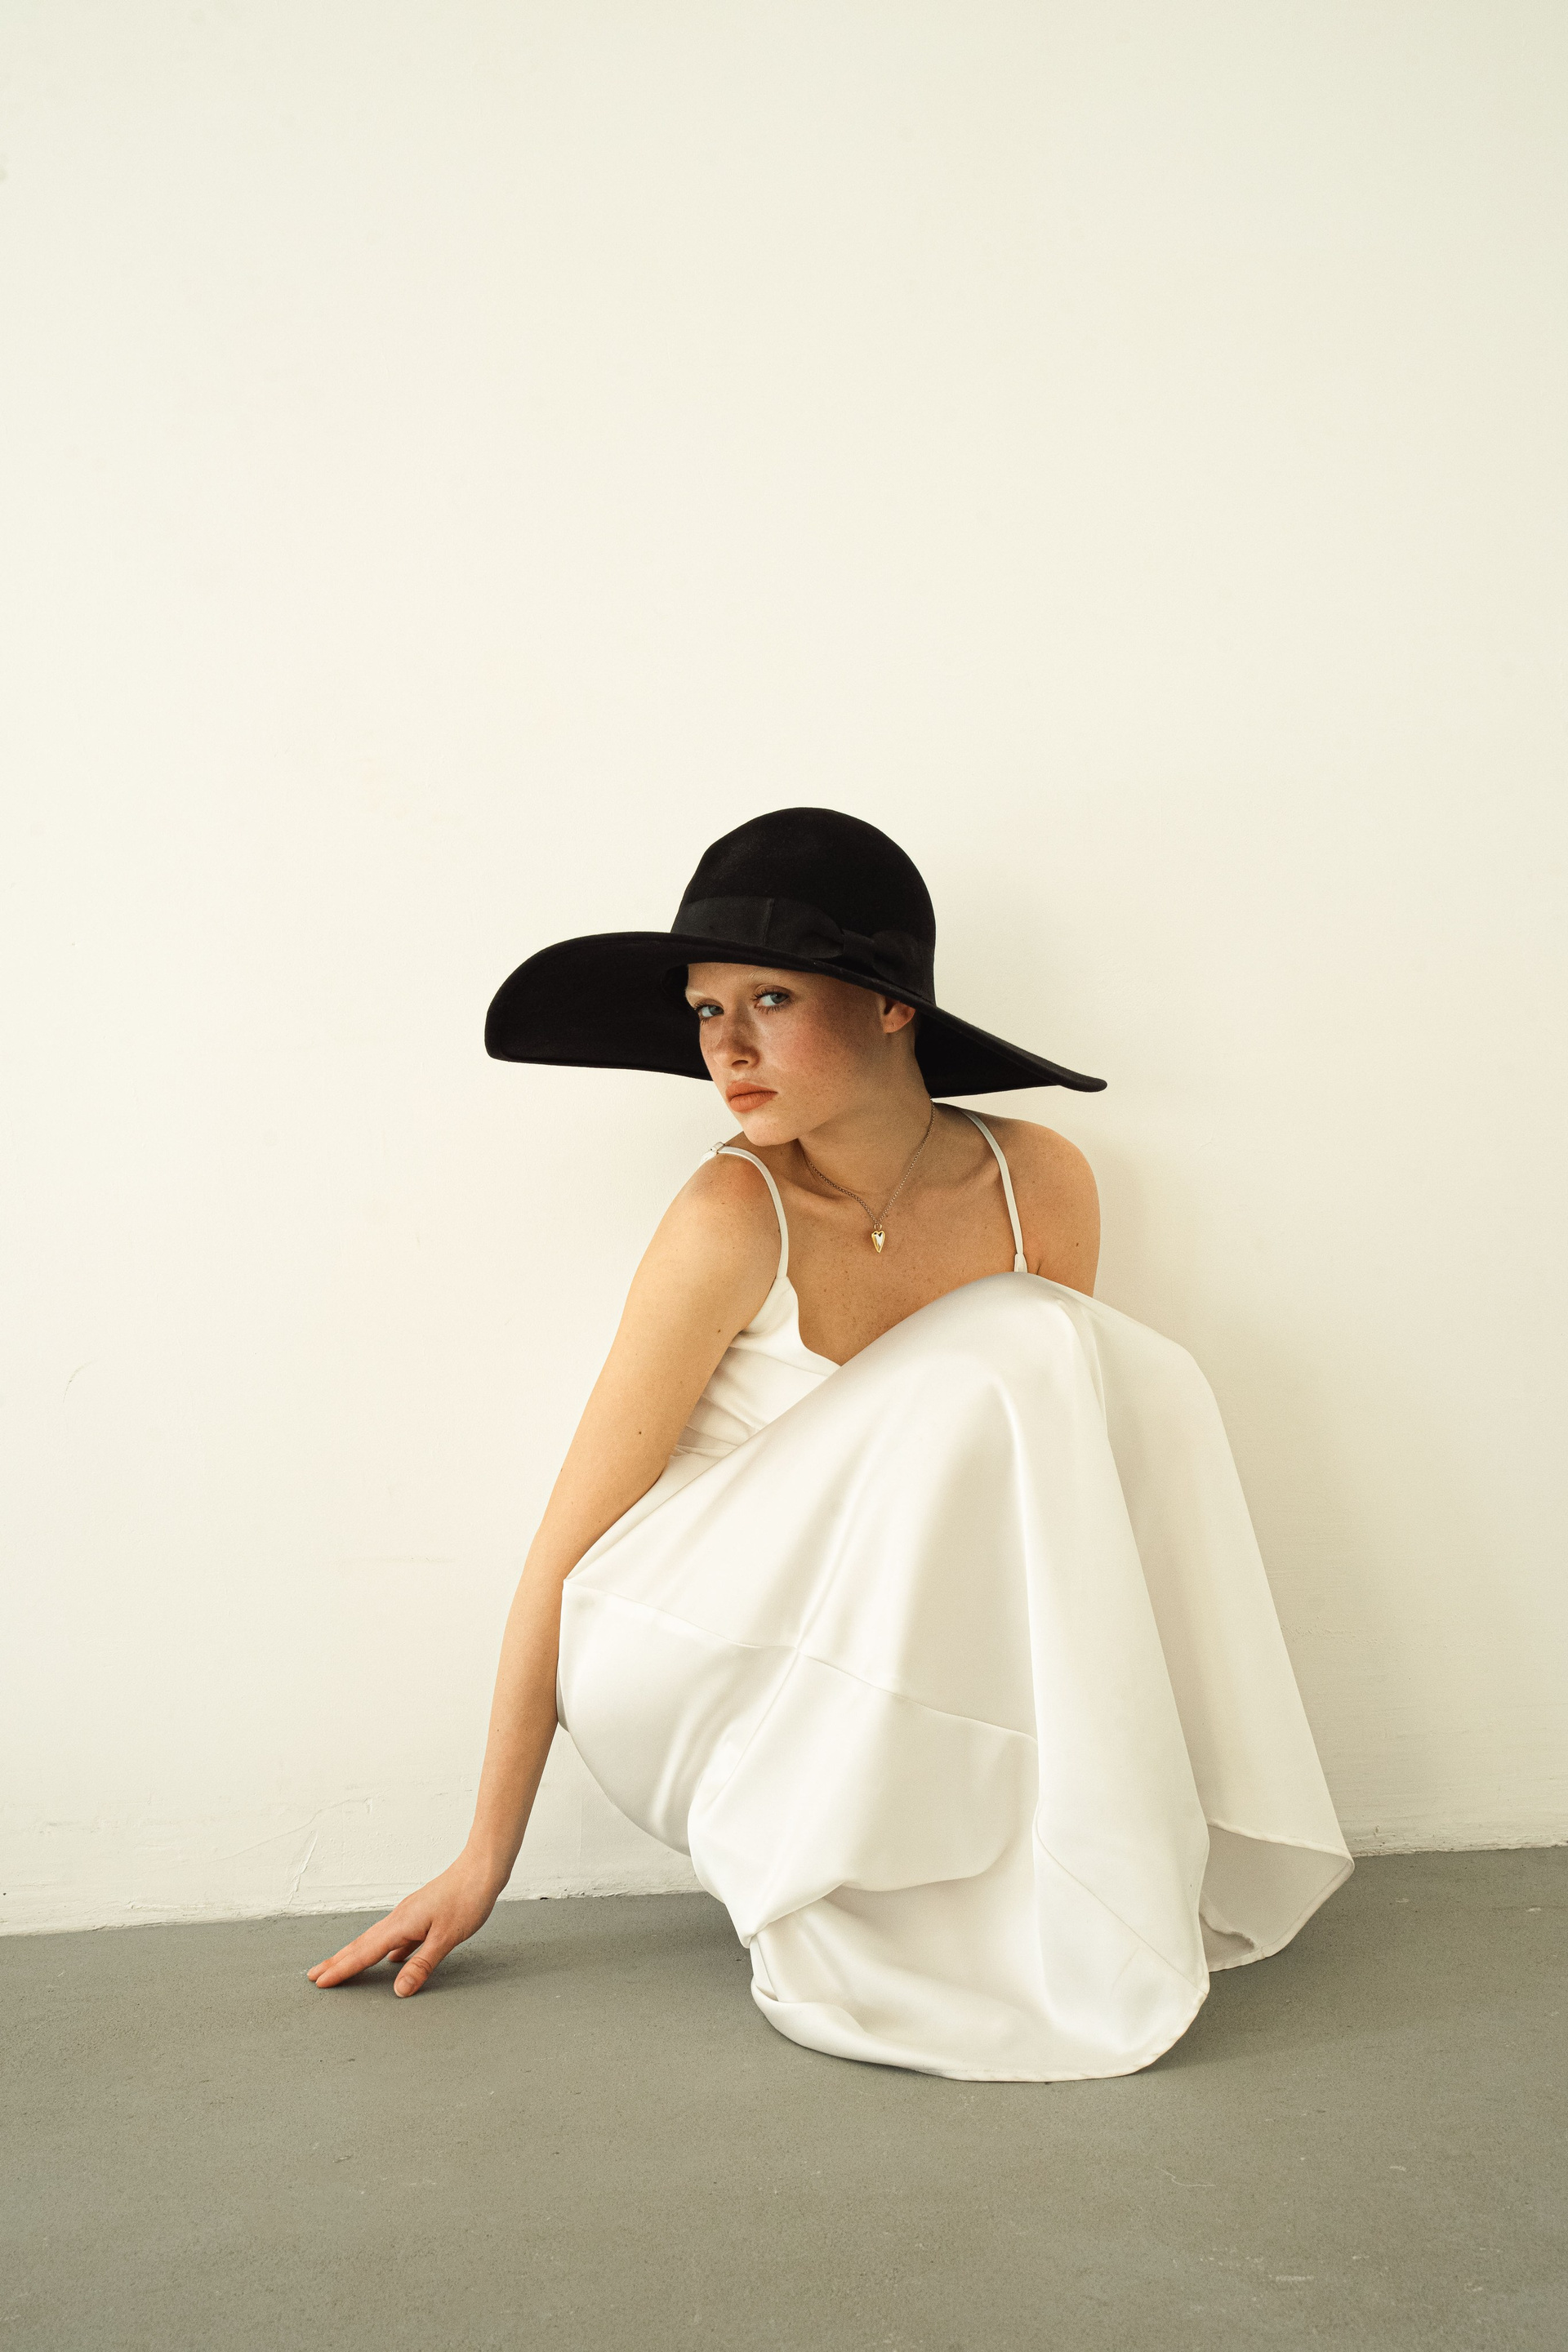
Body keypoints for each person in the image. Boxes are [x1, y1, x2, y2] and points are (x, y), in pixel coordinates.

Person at [310, 808, 1351, 2082]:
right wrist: (485, 1857)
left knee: (1117, 1375)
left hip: (871, 1651)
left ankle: (1062, 1855)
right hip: (677, 1645)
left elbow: (1046, 1516)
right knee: (1028, 1336)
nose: (726, 1048)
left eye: (770, 1000)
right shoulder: (729, 1213)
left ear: (893, 1007)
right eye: (706, 1010)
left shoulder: (1041, 1183)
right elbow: (570, 1542)